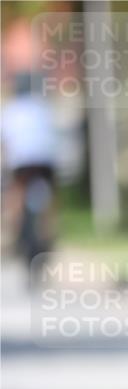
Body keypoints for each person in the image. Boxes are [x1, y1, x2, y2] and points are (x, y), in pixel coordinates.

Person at [1, 71, 59, 261]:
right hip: (45, 161)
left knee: (16, 193)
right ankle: (49, 232)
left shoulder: (11, 109)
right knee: (50, 198)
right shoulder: (42, 107)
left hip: (22, 163)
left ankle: (13, 235)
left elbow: (5, 141)